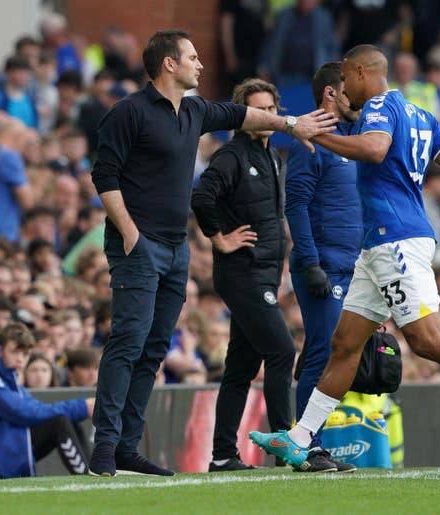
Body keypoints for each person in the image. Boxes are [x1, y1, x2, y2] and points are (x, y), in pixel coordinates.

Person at [249, 44, 440, 468]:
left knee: (427, 340)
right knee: (344, 344)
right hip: (381, 245)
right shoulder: (422, 117)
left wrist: (315, 133)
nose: (344, 89)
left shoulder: (378, 107)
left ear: (358, 72)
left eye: (346, 80)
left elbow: (374, 148)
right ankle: (300, 437)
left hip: (395, 240)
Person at [88, 29, 335, 478]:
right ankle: (104, 447)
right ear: (168, 63)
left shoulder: (196, 110)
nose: (200, 65)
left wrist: (293, 124)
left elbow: (244, 115)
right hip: (139, 246)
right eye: (193, 57)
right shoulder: (129, 112)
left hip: (176, 248)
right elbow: (104, 175)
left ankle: (126, 448)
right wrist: (130, 234)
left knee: (153, 349)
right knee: (128, 342)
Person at [191, 78, 296, 472]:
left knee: (239, 369)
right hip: (242, 273)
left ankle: (222, 455)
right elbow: (201, 197)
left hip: (264, 273)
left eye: (272, 108)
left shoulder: (274, 157)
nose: (267, 116)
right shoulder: (232, 156)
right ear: (242, 115)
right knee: (283, 350)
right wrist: (219, 239)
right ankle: (288, 441)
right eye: (258, 109)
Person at [285, 61, 362, 473]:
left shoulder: (353, 140)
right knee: (323, 351)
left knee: (339, 354)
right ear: (331, 93)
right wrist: (311, 262)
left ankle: (316, 442)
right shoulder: (309, 141)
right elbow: (294, 204)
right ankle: (307, 446)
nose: (360, 100)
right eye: (353, 91)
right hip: (324, 267)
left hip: (353, 268)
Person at [0, 323, 94, 480]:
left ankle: (91, 471)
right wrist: (81, 407)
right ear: (0, 350)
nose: (20, 359)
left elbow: (31, 408)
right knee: (59, 423)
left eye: (25, 354)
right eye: (15, 352)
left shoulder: (6, 375)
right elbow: (23, 412)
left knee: (68, 421)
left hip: (3, 446)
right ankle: (84, 478)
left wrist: (77, 409)